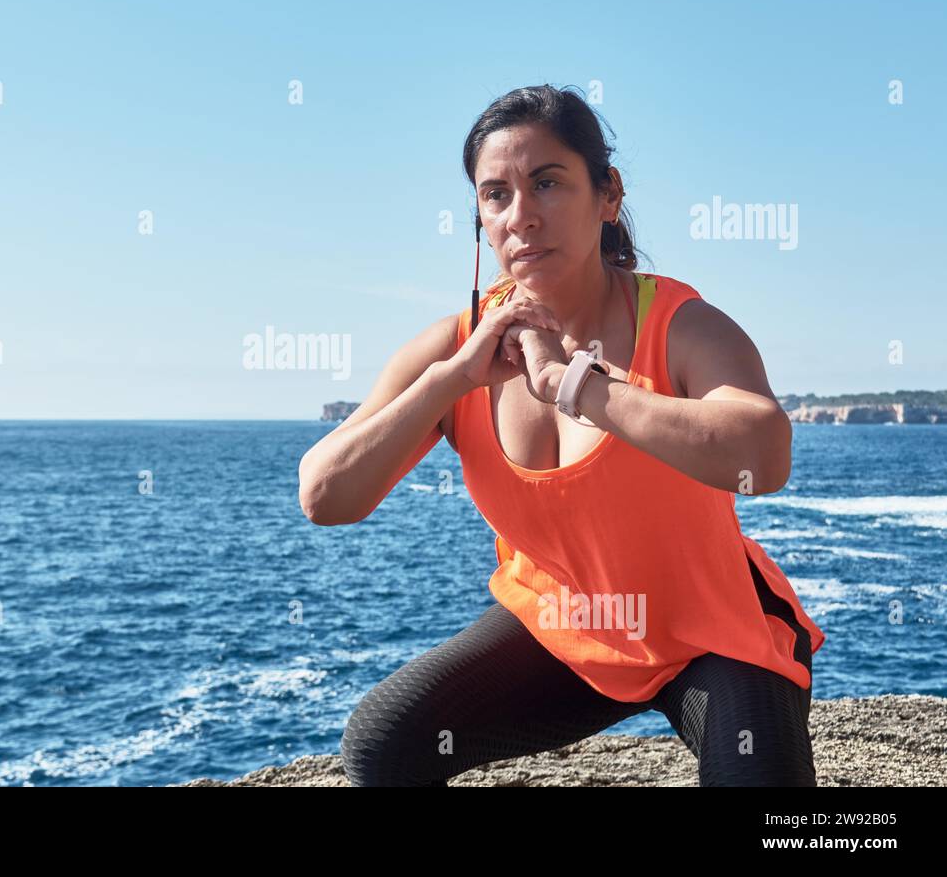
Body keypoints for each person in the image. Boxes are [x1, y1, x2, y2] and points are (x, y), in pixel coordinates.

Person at [298, 84, 825, 787]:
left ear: (608, 196)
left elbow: (764, 456)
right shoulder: (459, 347)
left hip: (711, 632)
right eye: (496, 194)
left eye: (548, 183)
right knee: (383, 741)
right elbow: (324, 496)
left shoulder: (678, 324)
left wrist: (580, 388)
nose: (522, 217)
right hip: (563, 627)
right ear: (479, 218)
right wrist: (451, 380)